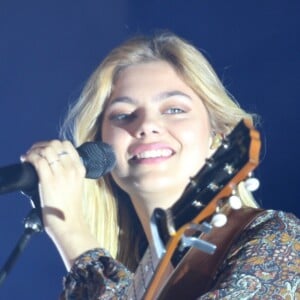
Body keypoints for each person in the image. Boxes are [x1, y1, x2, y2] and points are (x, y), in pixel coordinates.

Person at [21, 32, 299, 299]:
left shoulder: (276, 238)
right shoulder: (125, 274)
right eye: (124, 115)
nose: (147, 126)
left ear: (218, 136)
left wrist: (71, 233)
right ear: (99, 144)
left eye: (174, 109)